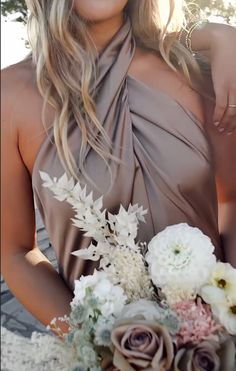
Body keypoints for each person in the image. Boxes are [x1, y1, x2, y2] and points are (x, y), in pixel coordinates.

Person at [1, 0, 236, 335]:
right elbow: (15, 251)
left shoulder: (194, 70)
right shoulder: (9, 95)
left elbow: (232, 200)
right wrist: (97, 346)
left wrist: (226, 316)